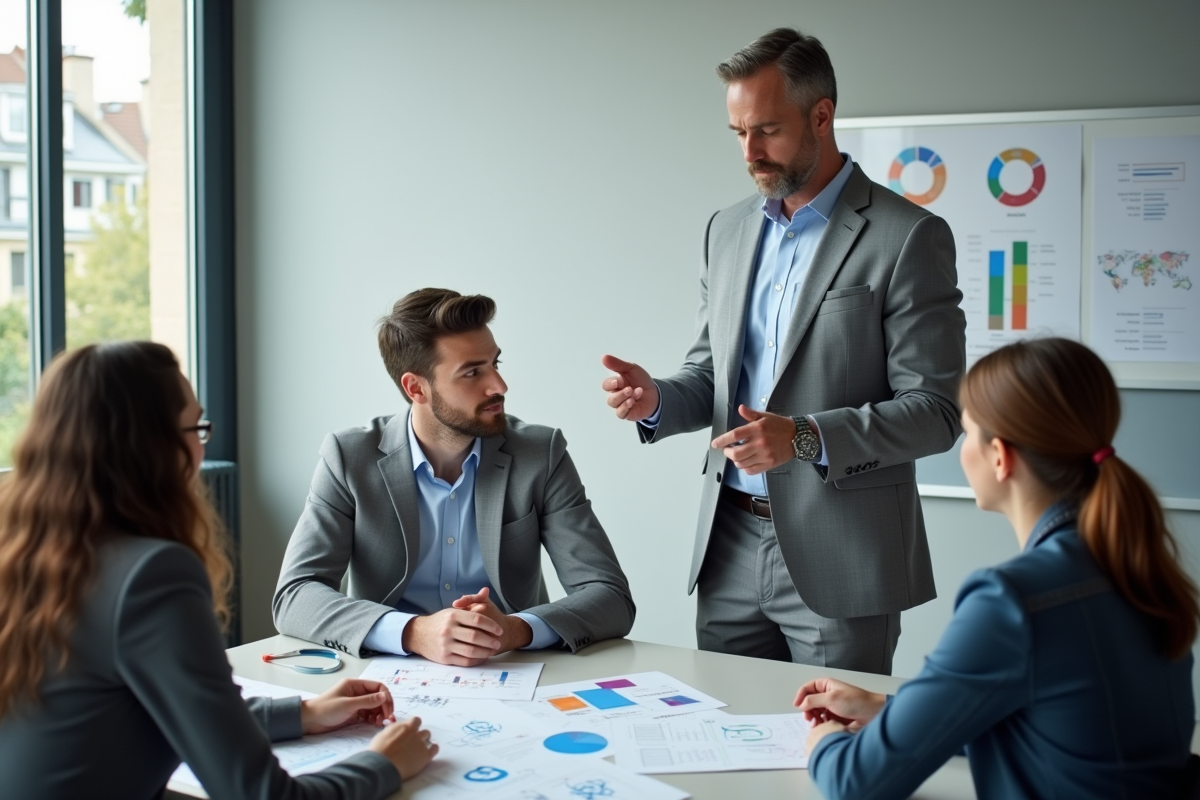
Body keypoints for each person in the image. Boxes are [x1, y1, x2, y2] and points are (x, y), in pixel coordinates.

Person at [600, 28, 964, 673]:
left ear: (821, 116)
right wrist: (657, 398)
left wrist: (800, 437)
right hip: (729, 540)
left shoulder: (909, 237)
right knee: (724, 737)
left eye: (766, 129)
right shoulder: (728, 229)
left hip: (844, 553)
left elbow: (935, 411)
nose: (750, 151)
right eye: (738, 132)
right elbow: (711, 376)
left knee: (833, 751)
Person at [0, 342, 438, 800]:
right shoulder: (151, 575)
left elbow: (152, 708)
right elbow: (261, 794)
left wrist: (303, 713)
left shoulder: (30, 549)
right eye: (197, 427)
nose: (199, 444)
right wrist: (382, 763)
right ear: (152, 446)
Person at [795, 337, 1198, 799]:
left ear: (1000, 457)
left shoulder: (1012, 600)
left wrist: (823, 742)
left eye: (968, 433)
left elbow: (856, 782)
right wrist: (888, 709)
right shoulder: (1136, 562)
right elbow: (1060, 727)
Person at [274, 288, 634, 666]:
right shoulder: (349, 458)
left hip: (513, 671)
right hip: (385, 678)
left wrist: (513, 630)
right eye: (472, 372)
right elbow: (295, 595)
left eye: (496, 363)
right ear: (416, 388)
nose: (499, 385)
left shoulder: (540, 455)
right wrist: (413, 632)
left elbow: (610, 596)